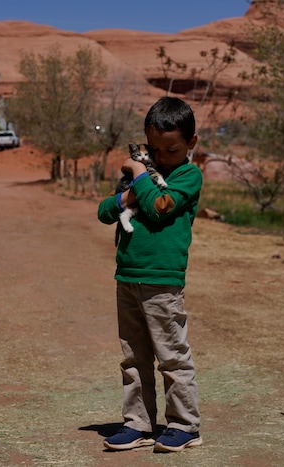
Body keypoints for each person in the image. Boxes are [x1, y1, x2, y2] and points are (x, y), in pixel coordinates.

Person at [97, 96, 203, 453]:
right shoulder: (142, 173)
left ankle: (184, 425)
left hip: (162, 280)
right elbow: (103, 212)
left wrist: (139, 173)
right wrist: (124, 199)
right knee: (133, 356)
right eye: (153, 149)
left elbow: (160, 208)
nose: (160, 156)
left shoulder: (188, 175)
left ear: (191, 143)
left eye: (170, 150)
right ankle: (139, 423)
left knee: (171, 355)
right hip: (127, 276)